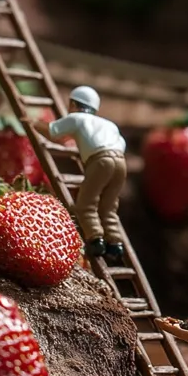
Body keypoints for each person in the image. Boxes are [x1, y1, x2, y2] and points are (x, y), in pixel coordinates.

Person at [33, 86, 126, 263]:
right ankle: (115, 244)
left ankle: (95, 240)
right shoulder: (109, 124)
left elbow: (53, 132)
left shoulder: (77, 118)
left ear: (74, 104)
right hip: (121, 162)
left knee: (86, 204)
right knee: (109, 206)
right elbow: (121, 144)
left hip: (100, 161)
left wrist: (32, 123)